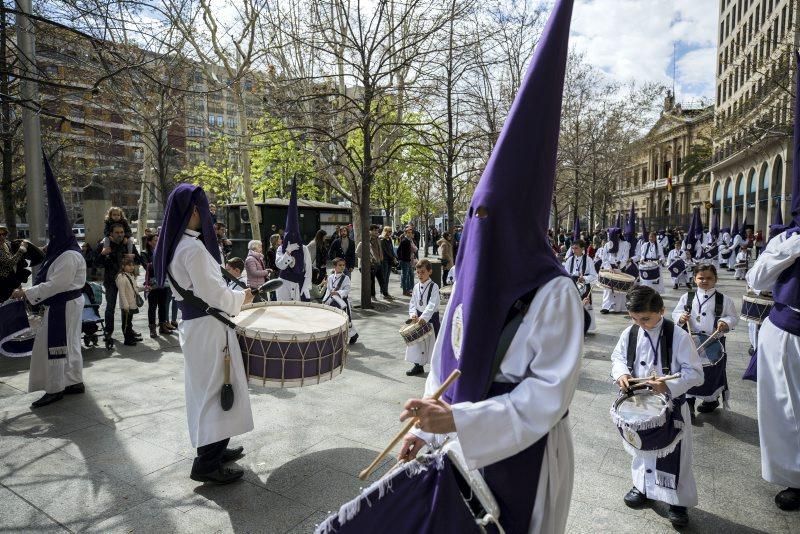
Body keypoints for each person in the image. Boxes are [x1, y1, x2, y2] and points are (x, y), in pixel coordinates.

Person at [397, 3, 580, 530]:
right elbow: (445, 365)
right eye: (476, 215)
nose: (481, 227)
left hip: (524, 452)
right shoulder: (468, 280)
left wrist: (461, 421)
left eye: (490, 217)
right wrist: (426, 430)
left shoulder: (555, 292)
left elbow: (549, 394)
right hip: (459, 445)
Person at [154, 183, 254, 484]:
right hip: (210, 327)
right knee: (217, 389)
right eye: (206, 207)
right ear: (194, 211)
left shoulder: (176, 245)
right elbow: (215, 295)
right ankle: (207, 463)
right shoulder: (193, 249)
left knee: (207, 390)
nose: (210, 213)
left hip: (197, 327)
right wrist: (243, 299)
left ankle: (216, 446)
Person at [611, 286, 703, 527]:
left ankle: (677, 502)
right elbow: (618, 357)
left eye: (646, 318)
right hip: (640, 405)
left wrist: (667, 387)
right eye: (634, 318)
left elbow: (695, 373)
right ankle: (642, 487)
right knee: (641, 449)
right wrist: (621, 374)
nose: (640, 323)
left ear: (661, 311)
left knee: (674, 454)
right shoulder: (630, 333)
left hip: (670, 407)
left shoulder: (679, 336)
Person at [11, 159, 86, 409]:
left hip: (62, 305)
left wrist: (26, 292)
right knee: (71, 344)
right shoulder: (65, 251)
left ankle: (55, 388)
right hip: (67, 304)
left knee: (54, 346)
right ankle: (74, 380)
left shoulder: (67, 256)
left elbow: (56, 285)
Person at [672, 264, 738, 416]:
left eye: (709, 278)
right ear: (694, 279)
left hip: (713, 342)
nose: (704, 281)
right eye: (701, 278)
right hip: (690, 341)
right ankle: (688, 401)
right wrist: (681, 317)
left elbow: (733, 317)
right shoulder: (687, 297)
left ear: (716, 279)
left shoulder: (724, 299)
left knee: (711, 373)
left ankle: (710, 399)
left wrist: (726, 322)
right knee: (688, 370)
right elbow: (676, 313)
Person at [99, 222, 141, 342]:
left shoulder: (127, 244)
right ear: (111, 233)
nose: (120, 235)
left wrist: (134, 257)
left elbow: (137, 259)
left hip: (126, 281)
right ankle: (108, 332)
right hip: (111, 281)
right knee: (110, 307)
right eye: (117, 232)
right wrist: (102, 254)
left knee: (127, 307)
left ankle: (128, 332)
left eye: (122, 232)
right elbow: (94, 263)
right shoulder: (105, 244)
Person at [276, 179, 312, 302]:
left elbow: (308, 269)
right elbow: (279, 264)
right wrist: (287, 253)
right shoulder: (280, 248)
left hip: (299, 282)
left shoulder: (304, 248)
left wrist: (307, 285)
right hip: (284, 283)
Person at [404, 259, 440, 376]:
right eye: (418, 272)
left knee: (432, 344)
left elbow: (432, 304)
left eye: (423, 272)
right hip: (418, 319)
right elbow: (413, 302)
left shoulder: (434, 287)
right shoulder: (415, 287)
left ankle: (436, 369)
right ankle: (418, 366)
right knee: (418, 344)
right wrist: (413, 314)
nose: (420, 275)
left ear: (430, 272)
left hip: (430, 320)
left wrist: (424, 317)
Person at [143, 234, 175, 338]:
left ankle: (162, 326)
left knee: (163, 306)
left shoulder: (162, 252)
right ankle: (152, 329)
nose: (157, 242)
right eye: (155, 240)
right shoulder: (145, 253)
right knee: (152, 307)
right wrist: (158, 263)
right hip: (152, 284)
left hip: (163, 282)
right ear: (149, 242)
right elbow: (147, 266)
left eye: (158, 240)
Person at [563, 240, 597, 334]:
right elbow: (565, 274)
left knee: (585, 305)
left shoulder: (589, 260)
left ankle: (584, 327)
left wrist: (584, 278)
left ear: (582, 248)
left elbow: (594, 276)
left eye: (576, 248)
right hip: (572, 286)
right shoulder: (570, 260)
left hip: (584, 286)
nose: (574, 250)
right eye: (572, 248)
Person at [322, 257, 358, 344]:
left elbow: (347, 290)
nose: (342, 267)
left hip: (342, 302)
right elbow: (328, 290)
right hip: (331, 301)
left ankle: (353, 335)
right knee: (333, 320)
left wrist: (338, 293)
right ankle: (335, 338)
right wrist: (325, 301)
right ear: (334, 266)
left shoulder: (346, 278)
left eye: (343, 265)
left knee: (344, 320)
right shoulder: (330, 277)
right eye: (340, 265)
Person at [599, 227, 630, 314]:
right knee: (607, 288)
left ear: (618, 235)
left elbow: (625, 257)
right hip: (609, 269)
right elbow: (604, 258)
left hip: (620, 268)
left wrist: (619, 266)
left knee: (619, 288)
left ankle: (619, 307)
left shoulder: (625, 244)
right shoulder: (607, 245)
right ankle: (606, 306)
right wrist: (609, 267)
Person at [116, 258, 142, 346]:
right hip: (126, 305)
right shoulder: (121, 277)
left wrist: (145, 288)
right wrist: (125, 305)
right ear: (123, 266)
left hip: (132, 303)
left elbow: (135, 289)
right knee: (126, 322)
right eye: (129, 265)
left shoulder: (130, 275)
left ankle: (131, 336)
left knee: (129, 322)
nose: (131, 267)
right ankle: (127, 339)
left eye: (132, 265)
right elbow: (122, 292)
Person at [0, 225, 27, 301]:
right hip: (2, 286)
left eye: (4, 234)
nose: (2, 237)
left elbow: (14, 265)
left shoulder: (6, 244)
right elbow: (10, 263)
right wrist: (21, 250)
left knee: (16, 307)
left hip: (12, 282)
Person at [397, 226, 417, 296]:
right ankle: (405, 291)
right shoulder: (405, 241)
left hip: (409, 260)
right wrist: (401, 259)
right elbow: (399, 251)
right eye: (408, 232)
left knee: (410, 274)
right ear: (405, 233)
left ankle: (409, 289)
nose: (410, 234)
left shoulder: (410, 240)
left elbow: (415, 249)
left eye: (411, 233)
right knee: (405, 275)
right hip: (405, 260)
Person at [379, 226, 397, 299]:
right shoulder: (382, 240)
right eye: (388, 231)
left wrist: (394, 257)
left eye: (391, 231)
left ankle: (385, 292)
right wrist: (392, 257)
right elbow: (385, 251)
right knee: (384, 277)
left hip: (390, 260)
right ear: (385, 231)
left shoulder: (389, 239)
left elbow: (391, 249)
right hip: (385, 260)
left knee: (387, 277)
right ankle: (384, 292)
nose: (390, 233)